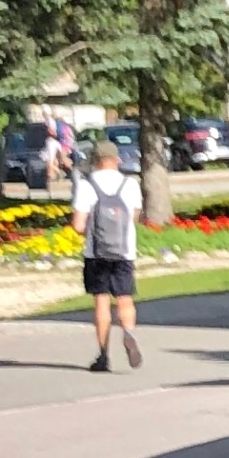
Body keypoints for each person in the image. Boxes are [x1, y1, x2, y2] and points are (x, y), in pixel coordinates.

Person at [73, 139, 142, 372]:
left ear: (96, 160)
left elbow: (78, 225)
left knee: (101, 300)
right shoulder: (130, 184)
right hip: (124, 250)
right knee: (125, 297)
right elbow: (133, 219)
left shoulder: (87, 185)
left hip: (96, 252)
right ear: (117, 159)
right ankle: (129, 333)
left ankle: (103, 356)